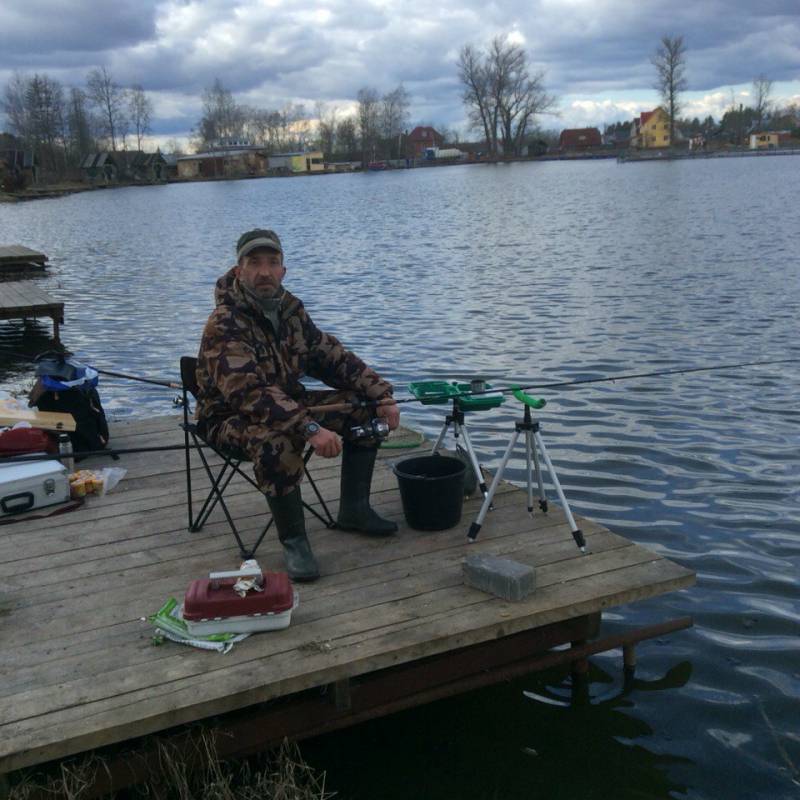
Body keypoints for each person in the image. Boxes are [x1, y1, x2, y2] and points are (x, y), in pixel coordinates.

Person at [195, 229, 400, 582]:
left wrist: (380, 393)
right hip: (228, 417)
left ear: (283, 271)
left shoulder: (291, 311)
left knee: (361, 408)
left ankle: (355, 509)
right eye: (254, 263)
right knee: (274, 441)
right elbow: (249, 393)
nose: (264, 272)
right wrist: (309, 427)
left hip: (288, 402)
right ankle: (294, 541)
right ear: (239, 270)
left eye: (272, 263)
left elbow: (331, 357)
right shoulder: (224, 323)